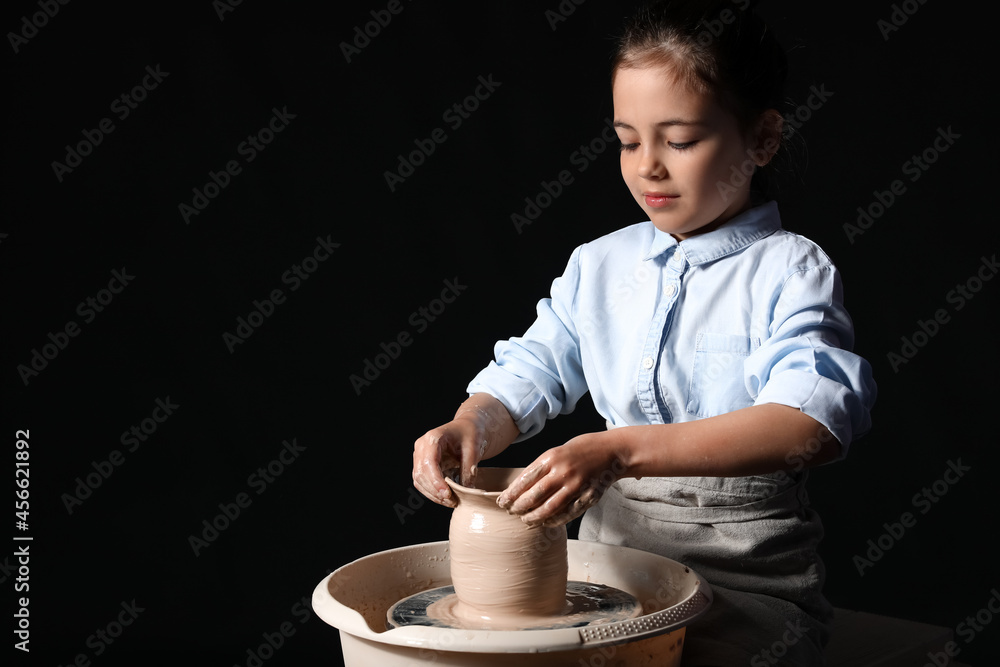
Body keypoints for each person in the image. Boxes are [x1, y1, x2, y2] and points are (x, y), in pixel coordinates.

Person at [412, 0, 876, 663]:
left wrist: (620, 450)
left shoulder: (791, 269)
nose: (647, 166)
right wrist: (471, 425)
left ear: (763, 139)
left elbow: (813, 423)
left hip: (745, 588)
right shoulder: (599, 264)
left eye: (680, 140)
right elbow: (534, 366)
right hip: (607, 578)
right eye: (628, 139)